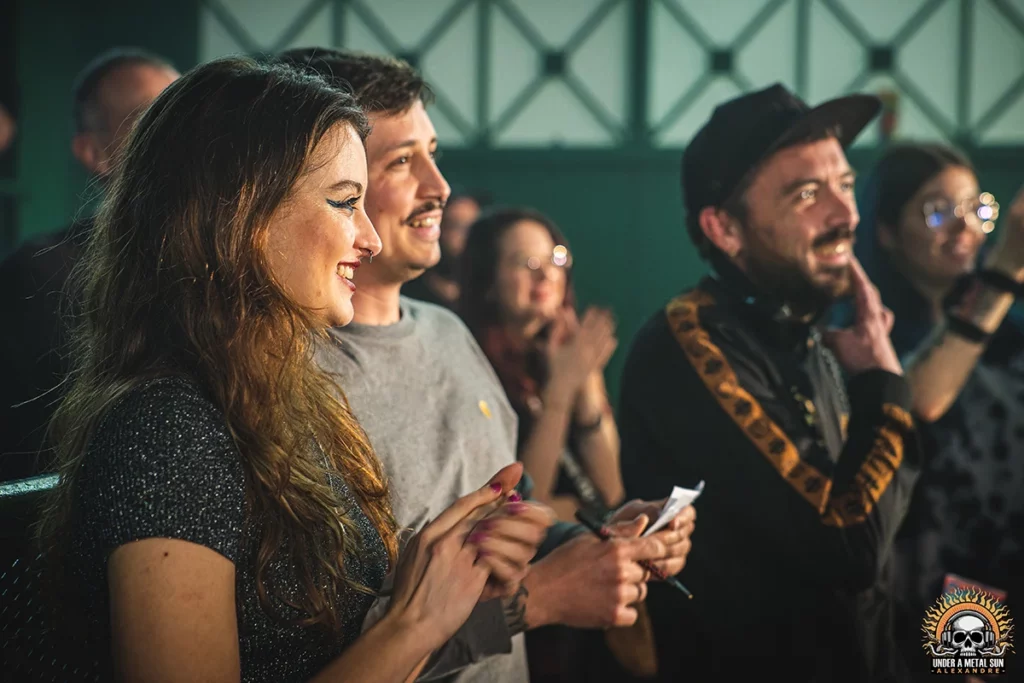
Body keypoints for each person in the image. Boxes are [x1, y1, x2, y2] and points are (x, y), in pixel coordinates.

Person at [37, 56, 550, 683]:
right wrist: (414, 620)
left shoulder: (276, 401)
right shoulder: (167, 435)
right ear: (240, 221)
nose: (371, 239)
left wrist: (425, 581)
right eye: (343, 202)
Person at [279, 48, 696, 683]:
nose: (439, 187)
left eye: (433, 153)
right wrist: (545, 595)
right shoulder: (288, 375)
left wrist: (592, 541)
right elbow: (337, 650)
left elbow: (509, 528)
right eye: (401, 161)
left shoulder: (448, 335)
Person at [617, 83, 922, 681]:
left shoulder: (810, 331)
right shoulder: (693, 345)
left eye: (845, 184)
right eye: (808, 194)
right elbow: (849, 543)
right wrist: (884, 385)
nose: (846, 215)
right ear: (725, 228)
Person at [851, 143, 1024, 671]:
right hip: (935, 581)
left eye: (977, 207)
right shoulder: (862, 332)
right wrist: (1004, 270)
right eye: (937, 211)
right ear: (885, 231)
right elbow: (919, 399)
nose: (965, 227)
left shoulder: (1007, 331)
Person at [0, 47, 179, 481]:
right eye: (148, 118)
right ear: (93, 151)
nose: (175, 132)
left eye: (181, 112)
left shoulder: (225, 257)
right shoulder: (41, 271)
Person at [459, 206, 624, 522]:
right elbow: (519, 507)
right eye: (526, 262)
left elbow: (613, 492)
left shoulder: (563, 354)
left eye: (555, 259)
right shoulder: (470, 365)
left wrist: (586, 383)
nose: (546, 273)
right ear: (489, 281)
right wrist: (560, 391)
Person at [401, 189, 489, 309]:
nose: (467, 235)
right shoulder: (409, 290)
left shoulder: (490, 292)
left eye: (473, 226)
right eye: (456, 226)